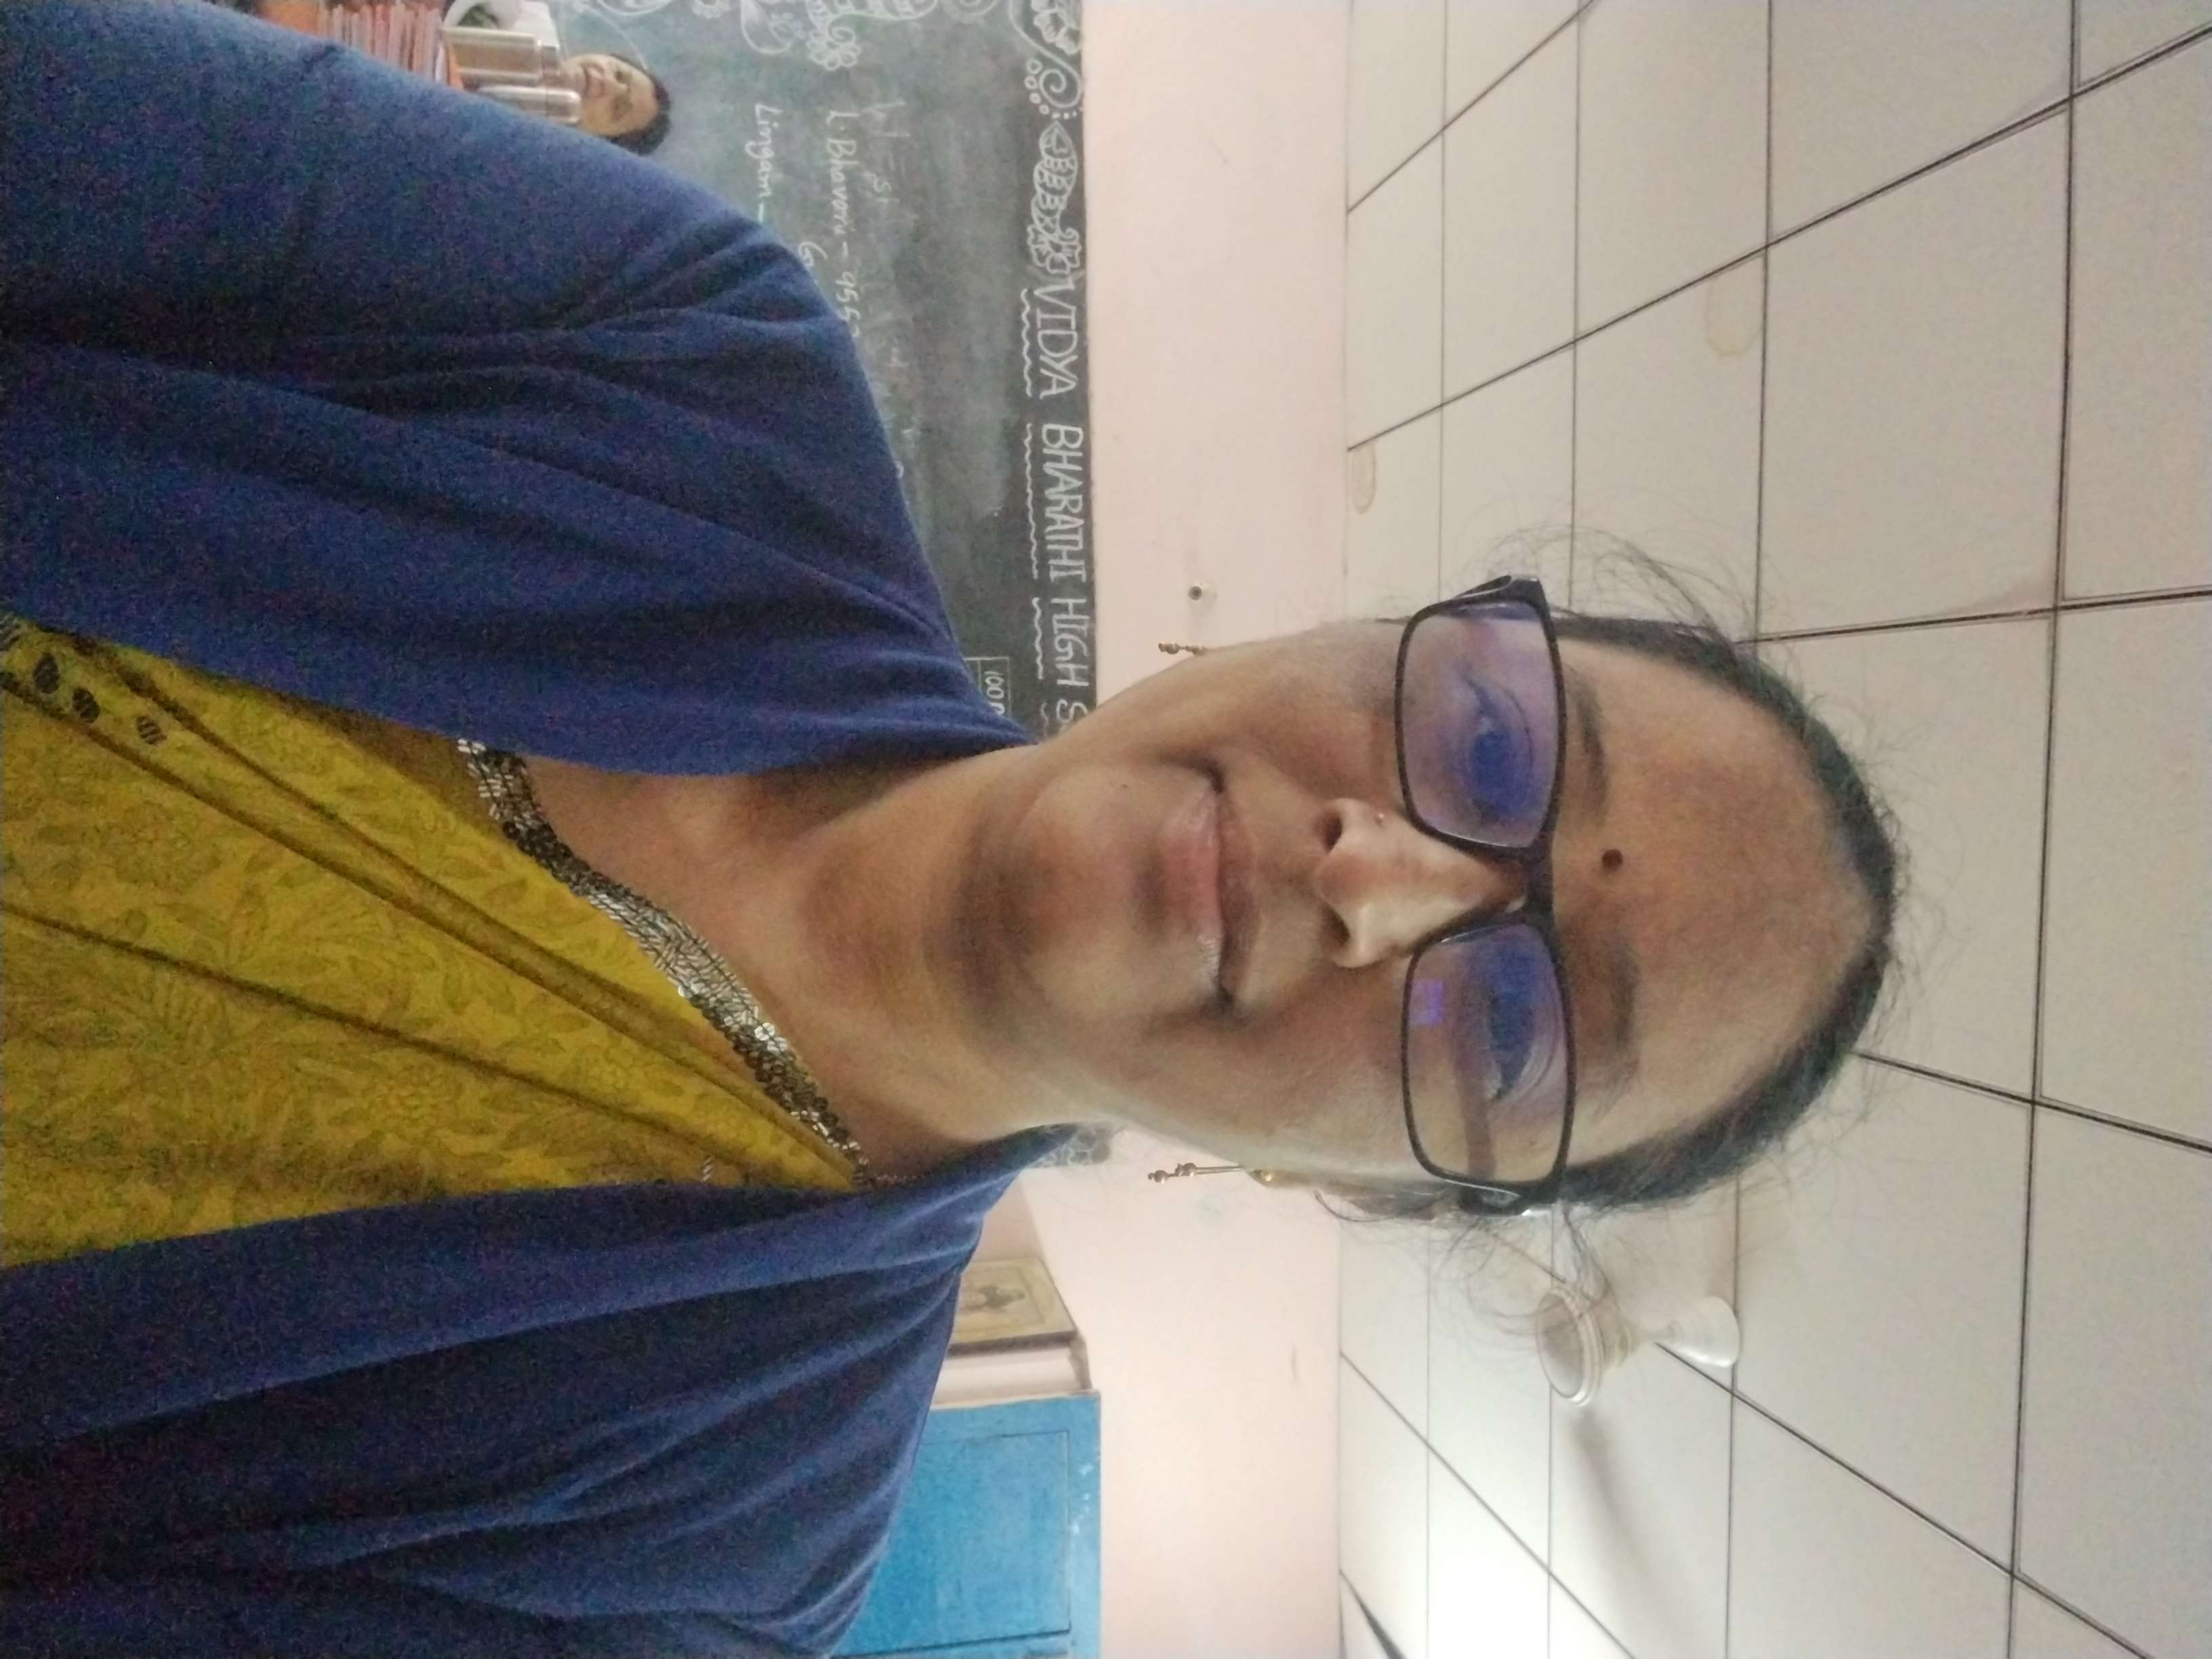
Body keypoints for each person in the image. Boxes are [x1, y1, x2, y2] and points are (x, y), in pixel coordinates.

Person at [0, 0, 1898, 1653]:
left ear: (1357, 1188)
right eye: (1490, 739)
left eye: (1508, 1030)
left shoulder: (680, 1565)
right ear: (1351, 624)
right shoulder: (680, 354)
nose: (1378, 882)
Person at [440, 0, 672, 152]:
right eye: (619, 74)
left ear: (599, 140)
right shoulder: (531, 14)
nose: (608, 83)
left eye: (617, 107)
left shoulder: (517, 148)